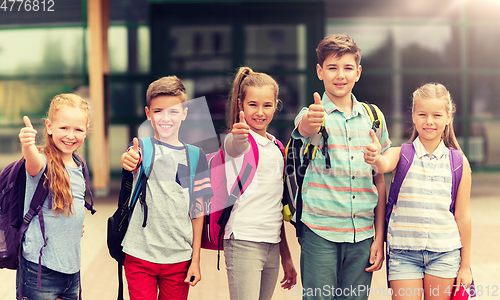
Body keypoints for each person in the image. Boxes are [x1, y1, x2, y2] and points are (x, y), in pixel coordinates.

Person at [291, 34, 390, 300]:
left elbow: (379, 180)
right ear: (320, 71)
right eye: (332, 68)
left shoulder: (373, 118)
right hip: (319, 232)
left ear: (358, 72)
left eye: (347, 68)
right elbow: (304, 128)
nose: (340, 75)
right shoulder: (312, 114)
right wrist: (311, 121)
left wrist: (379, 237)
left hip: (363, 235)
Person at [364, 82, 472, 300]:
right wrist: (375, 157)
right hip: (403, 255)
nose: (429, 121)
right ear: (413, 116)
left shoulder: (459, 163)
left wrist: (465, 266)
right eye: (422, 114)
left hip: (445, 254)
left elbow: (462, 217)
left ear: (448, 117)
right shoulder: (401, 154)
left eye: (437, 115)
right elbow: (382, 164)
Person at [120, 76, 213, 300]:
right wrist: (129, 159)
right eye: (158, 111)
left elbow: (198, 211)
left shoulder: (195, 156)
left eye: (173, 111)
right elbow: (130, 159)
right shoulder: (141, 148)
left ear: (184, 113)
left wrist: (196, 260)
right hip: (140, 254)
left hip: (179, 258)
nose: (166, 118)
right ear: (148, 113)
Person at [223, 66, 297, 300]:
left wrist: (285, 255)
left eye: (267, 105)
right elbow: (234, 147)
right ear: (240, 104)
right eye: (253, 104)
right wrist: (238, 137)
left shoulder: (277, 147)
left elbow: (275, 206)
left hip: (272, 244)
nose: (260, 112)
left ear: (276, 105)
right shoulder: (236, 140)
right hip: (243, 241)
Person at [17, 93, 92, 300]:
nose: (71, 135)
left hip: (71, 270)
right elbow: (32, 162)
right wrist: (27, 145)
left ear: (86, 131)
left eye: (78, 129)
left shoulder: (79, 164)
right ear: (49, 127)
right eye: (64, 128)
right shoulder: (42, 161)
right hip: (40, 270)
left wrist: (73, 224)